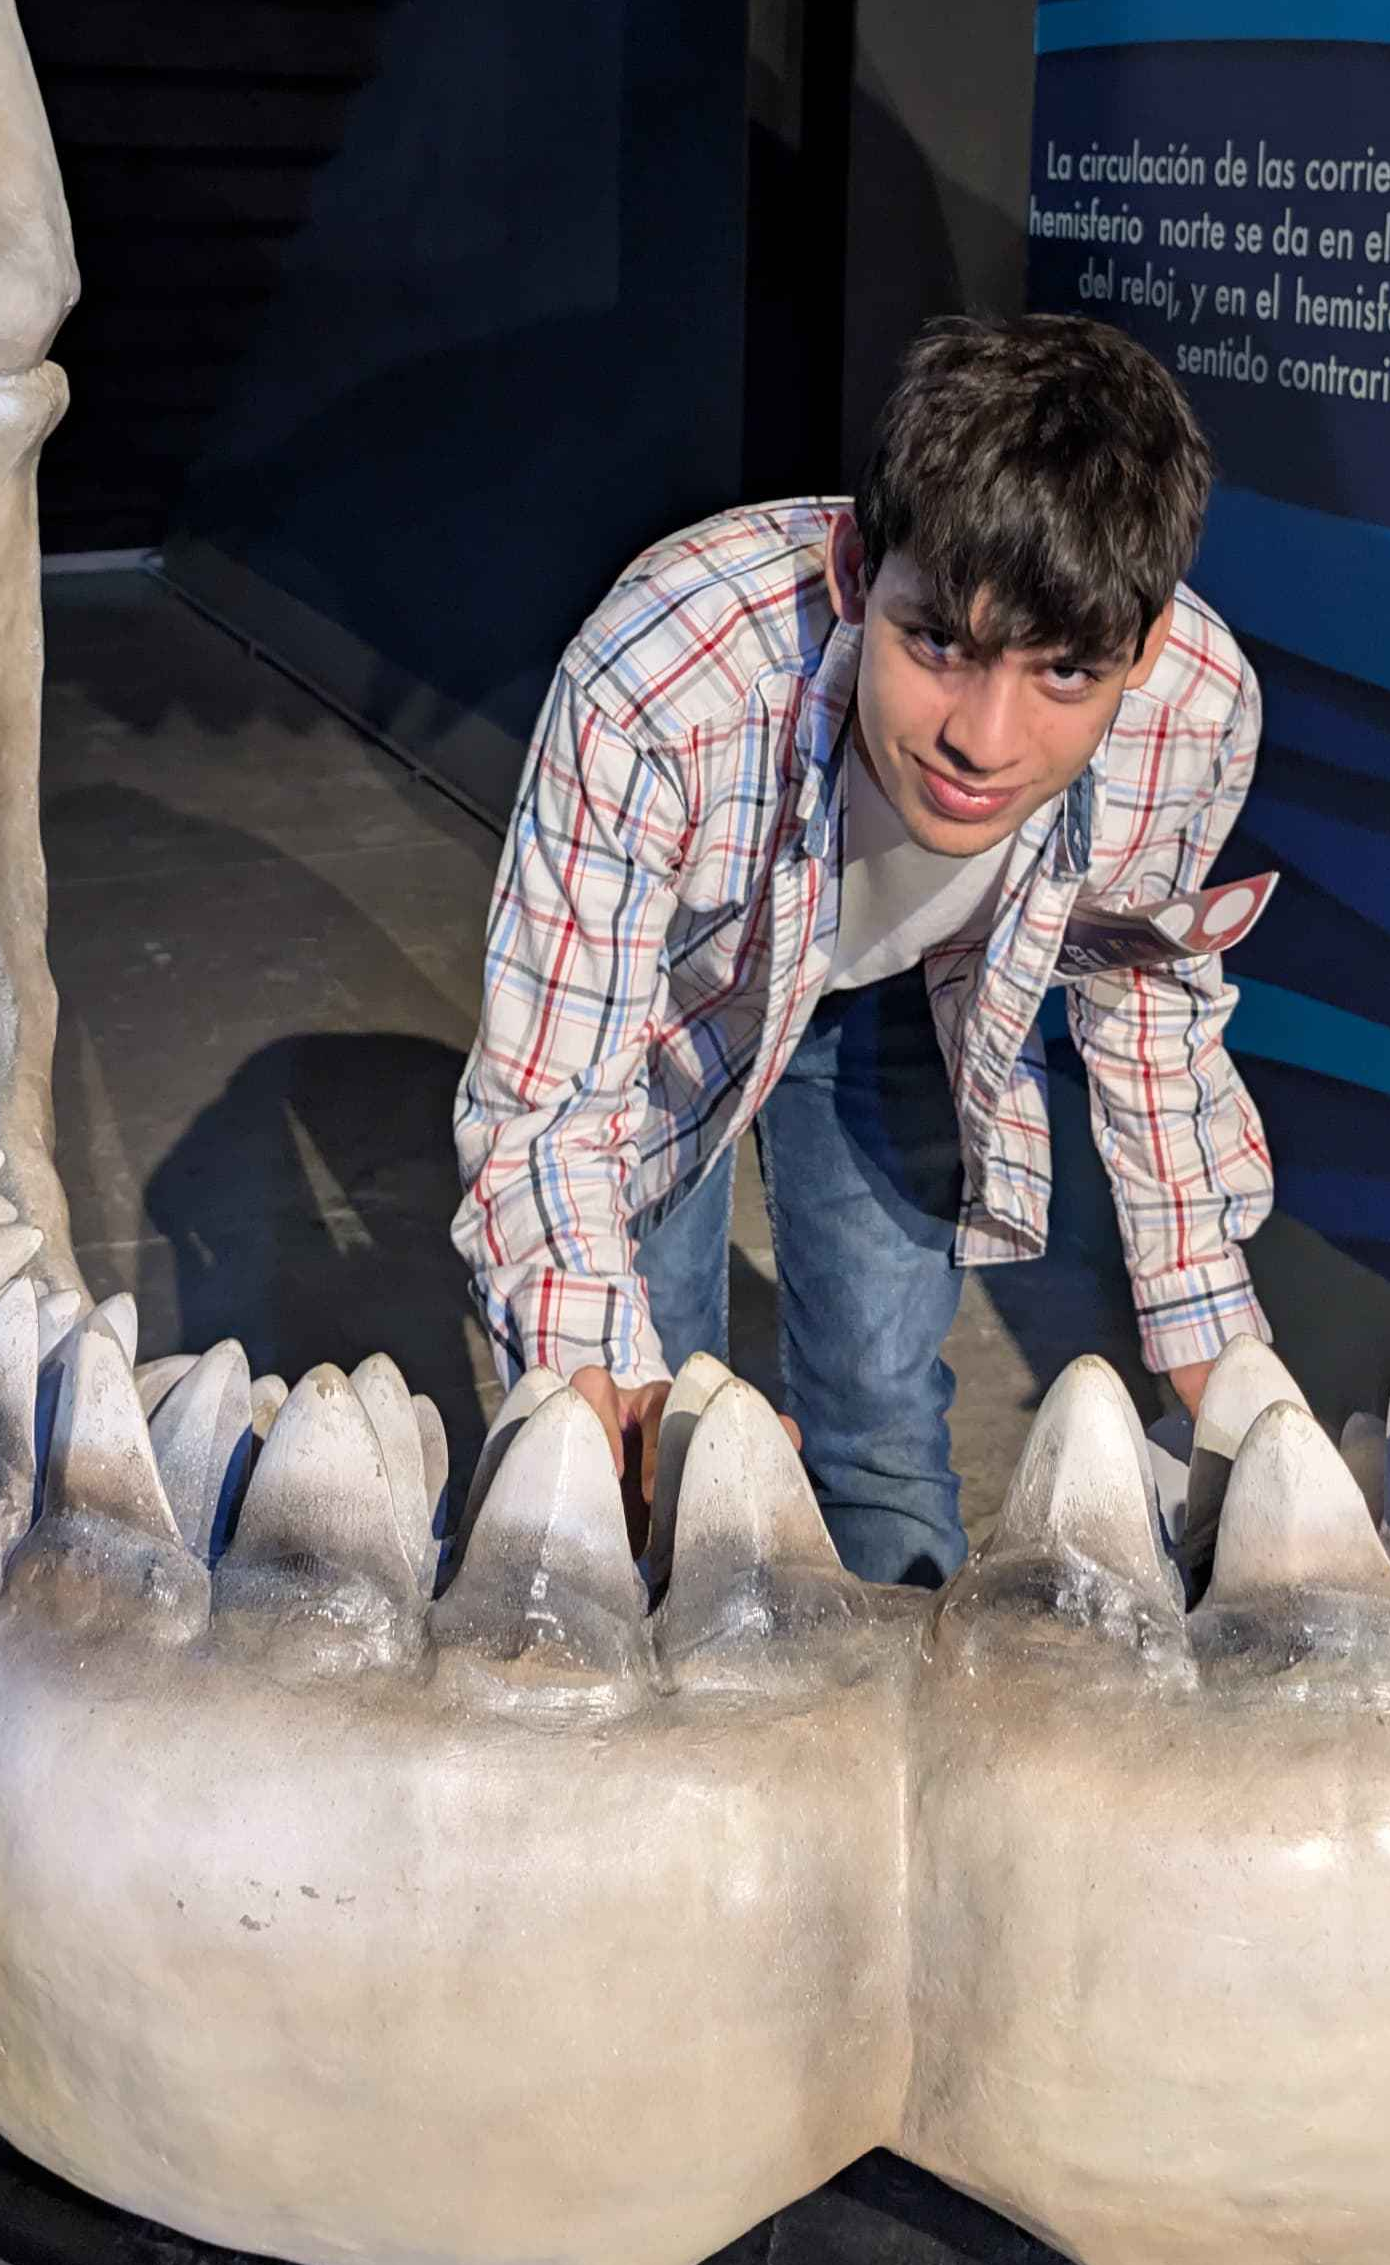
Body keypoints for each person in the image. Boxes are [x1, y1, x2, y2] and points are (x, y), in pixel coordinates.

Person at [452, 312, 1278, 1586]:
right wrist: (617, 1398)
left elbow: (1143, 1002)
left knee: (884, 1430)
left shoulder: (1195, 710)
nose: (986, 742)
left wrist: (1215, 1353)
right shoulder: (664, 681)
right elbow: (551, 1108)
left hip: (910, 996)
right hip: (679, 1020)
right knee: (656, 1476)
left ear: (1146, 648)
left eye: (1064, 673)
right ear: (852, 569)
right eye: (939, 642)